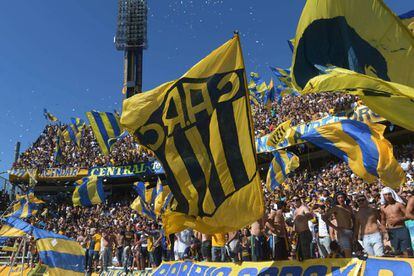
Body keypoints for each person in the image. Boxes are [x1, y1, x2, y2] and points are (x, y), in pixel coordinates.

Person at [380, 187, 412, 256]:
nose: (388, 196)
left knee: (406, 252)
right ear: (383, 196)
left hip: (402, 229)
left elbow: (408, 215)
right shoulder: (383, 208)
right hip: (391, 232)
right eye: (385, 195)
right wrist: (385, 232)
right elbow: (382, 221)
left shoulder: (399, 204)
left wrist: (398, 219)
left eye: (389, 194)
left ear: (392, 194)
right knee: (396, 252)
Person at [323, 192, 354, 258]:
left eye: (341, 197)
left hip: (350, 231)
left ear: (344, 198)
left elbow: (354, 219)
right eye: (338, 198)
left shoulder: (349, 208)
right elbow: (324, 217)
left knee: (350, 252)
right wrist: (335, 228)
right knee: (348, 253)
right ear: (337, 200)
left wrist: (355, 232)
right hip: (342, 232)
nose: (340, 199)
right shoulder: (336, 208)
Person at [293, 196, 313, 260]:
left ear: (299, 200)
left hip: (304, 233)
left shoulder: (303, 208)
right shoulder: (295, 211)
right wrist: (293, 233)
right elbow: (295, 223)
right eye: (294, 200)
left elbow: (310, 216)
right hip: (298, 234)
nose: (295, 201)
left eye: (297, 200)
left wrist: (303, 217)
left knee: (305, 254)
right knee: (299, 254)